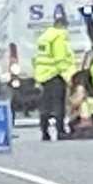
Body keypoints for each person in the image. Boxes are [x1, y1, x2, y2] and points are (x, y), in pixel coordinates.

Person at [33, 10, 76, 141]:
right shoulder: (58, 37)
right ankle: (60, 131)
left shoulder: (45, 36)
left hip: (43, 76)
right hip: (55, 75)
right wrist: (69, 77)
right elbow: (61, 59)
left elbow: (38, 58)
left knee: (45, 105)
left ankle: (44, 132)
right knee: (58, 105)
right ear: (63, 25)